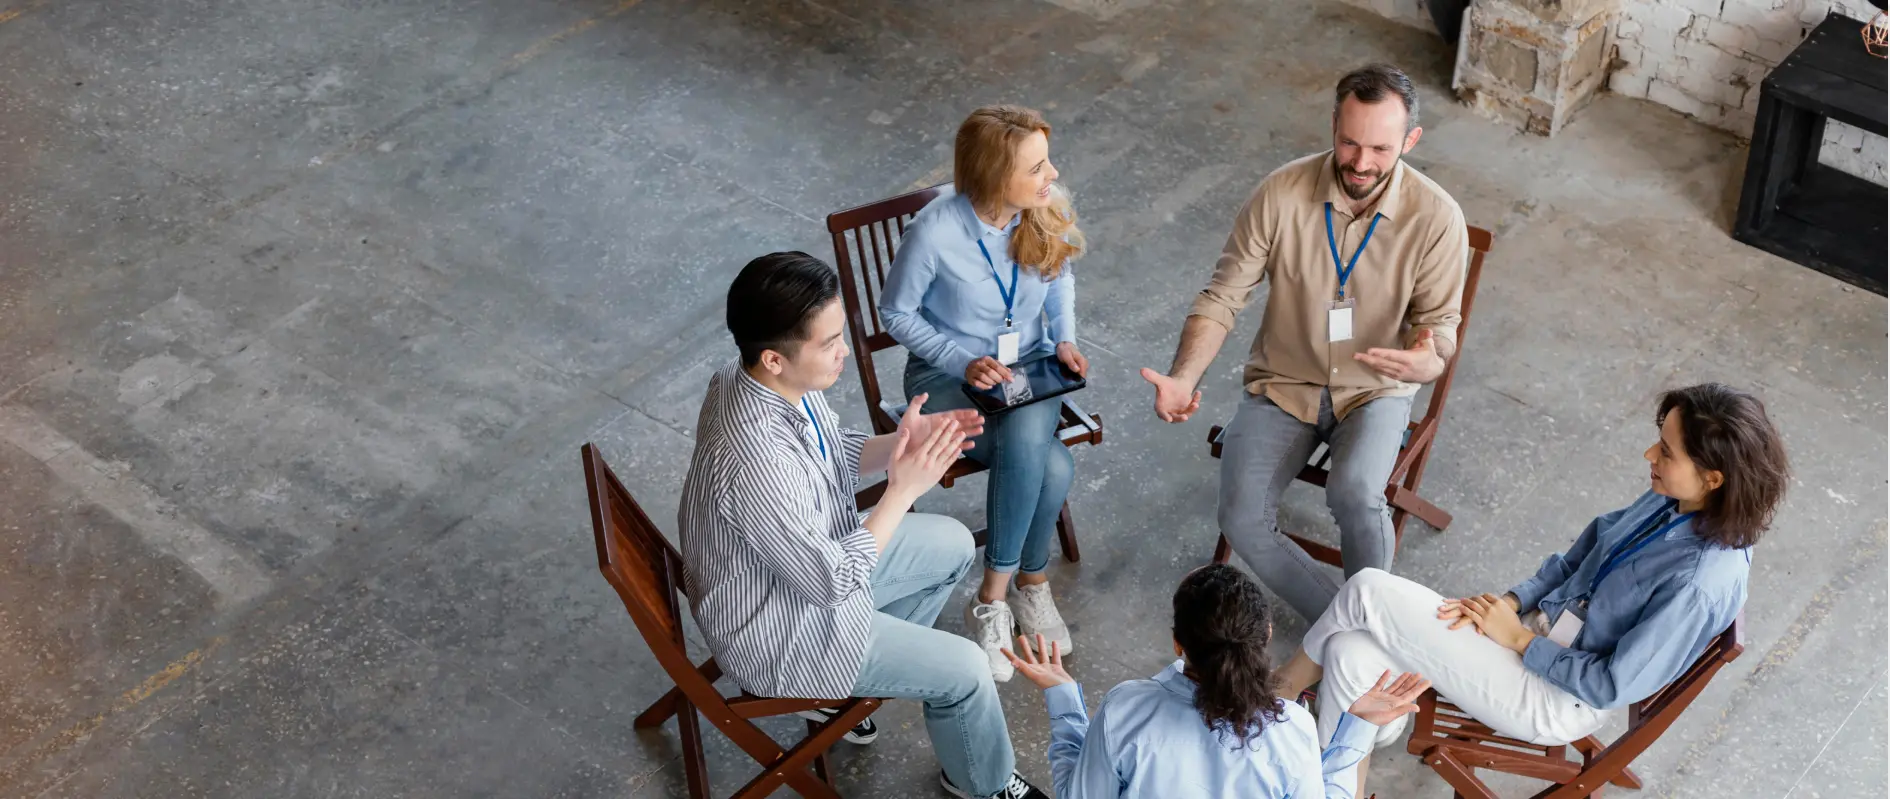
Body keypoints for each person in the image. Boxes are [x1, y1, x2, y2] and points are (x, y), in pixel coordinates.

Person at [1275, 383, 1790, 797]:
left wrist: (1518, 640)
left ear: (1714, 478)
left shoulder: (1698, 581)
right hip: (1530, 634)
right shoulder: (1673, 500)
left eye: (1667, 451)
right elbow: (1577, 558)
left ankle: (1270, 702)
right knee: (1347, 653)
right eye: (1660, 436)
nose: (1649, 452)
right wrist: (1513, 603)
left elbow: (1612, 685)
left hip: (1552, 694)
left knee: (1366, 589)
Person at [680, 251, 1051, 799]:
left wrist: (903, 444)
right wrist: (902, 489)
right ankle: (982, 782)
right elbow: (831, 583)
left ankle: (852, 691)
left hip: (796, 576)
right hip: (783, 631)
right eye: (829, 344)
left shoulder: (751, 379)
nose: (844, 354)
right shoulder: (753, 457)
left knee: (950, 544)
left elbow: (830, 453)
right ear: (774, 358)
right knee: (967, 671)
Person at [1139, 63, 1470, 623]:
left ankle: (1367, 625)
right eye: (1349, 143)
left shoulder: (1438, 218)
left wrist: (1424, 361)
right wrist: (1184, 376)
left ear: (1410, 140)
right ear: (1333, 125)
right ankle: (1350, 627)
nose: (1361, 164)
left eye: (1381, 149)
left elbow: (1439, 331)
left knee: (1357, 495)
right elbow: (1223, 296)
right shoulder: (1280, 192)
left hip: (1374, 390)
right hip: (1284, 383)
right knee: (1240, 518)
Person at [880, 104, 1090, 681]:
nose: (1051, 176)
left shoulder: (1043, 206)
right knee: (1051, 466)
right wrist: (961, 360)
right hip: (944, 378)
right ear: (998, 178)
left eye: (1048, 161)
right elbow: (895, 313)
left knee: (1027, 428)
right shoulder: (935, 231)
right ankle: (1027, 580)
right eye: (1036, 168)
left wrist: (1065, 340)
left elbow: (1060, 277)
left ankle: (993, 598)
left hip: (1025, 367)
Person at [1002, 564, 1431, 797]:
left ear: (1177, 644)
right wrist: (1356, 728)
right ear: (1264, 636)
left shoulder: (1126, 711)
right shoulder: (1291, 730)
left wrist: (1063, 701)